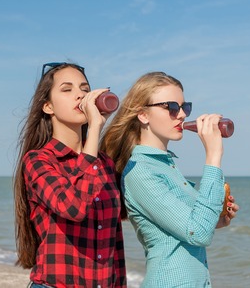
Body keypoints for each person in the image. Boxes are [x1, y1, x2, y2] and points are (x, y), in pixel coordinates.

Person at [100, 71, 239, 287]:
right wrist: (213, 155)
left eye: (185, 107)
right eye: (172, 107)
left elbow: (191, 227)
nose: (182, 115)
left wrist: (217, 219)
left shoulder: (164, 165)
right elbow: (198, 234)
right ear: (143, 114)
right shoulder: (140, 172)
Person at [13, 62, 126, 288]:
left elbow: (114, 242)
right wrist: (95, 129)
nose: (80, 95)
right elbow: (73, 207)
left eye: (84, 89)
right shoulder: (38, 161)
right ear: (48, 107)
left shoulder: (104, 163)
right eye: (67, 89)